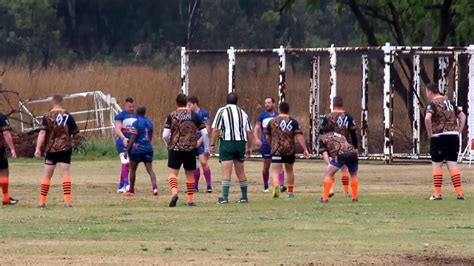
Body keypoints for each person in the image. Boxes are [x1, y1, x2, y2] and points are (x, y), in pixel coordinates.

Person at [162, 94, 209, 207]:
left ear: (177, 103)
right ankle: (190, 199)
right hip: (190, 149)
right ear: (186, 102)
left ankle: (174, 193)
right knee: (190, 175)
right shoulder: (195, 116)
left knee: (173, 174)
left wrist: (169, 144)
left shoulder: (171, 116)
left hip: (175, 148)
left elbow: (165, 135)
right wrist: (206, 148)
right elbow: (205, 133)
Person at [35, 95, 79, 208]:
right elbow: (75, 132)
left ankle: (42, 201)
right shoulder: (68, 116)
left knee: (47, 175)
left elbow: (42, 133)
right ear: (61, 102)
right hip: (65, 149)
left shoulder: (46, 116)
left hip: (51, 149)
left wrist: (38, 149)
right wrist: (69, 140)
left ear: (52, 103)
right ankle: (67, 202)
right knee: (65, 174)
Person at [424, 83, 466, 200]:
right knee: (452, 165)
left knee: (437, 165)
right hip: (453, 136)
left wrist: (430, 133)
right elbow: (462, 116)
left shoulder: (432, 104)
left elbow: (427, 118)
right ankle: (459, 193)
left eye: (426, 92)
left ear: (430, 91)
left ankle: (437, 194)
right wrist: (459, 131)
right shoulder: (450, 102)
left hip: (439, 136)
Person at [211, 92, 252, 204]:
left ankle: (224, 198)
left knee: (226, 171)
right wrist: (249, 147)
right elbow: (249, 131)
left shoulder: (222, 111)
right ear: (237, 101)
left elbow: (216, 130)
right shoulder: (243, 113)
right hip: (240, 143)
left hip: (227, 143)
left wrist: (212, 145)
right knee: (240, 171)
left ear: (226, 100)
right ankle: (244, 197)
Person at [266, 102, 309, 198]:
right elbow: (299, 136)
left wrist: (271, 145)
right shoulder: (293, 121)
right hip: (289, 150)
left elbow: (267, 136)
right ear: (288, 110)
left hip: (276, 150)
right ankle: (290, 193)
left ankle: (276, 186)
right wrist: (305, 149)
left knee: (275, 171)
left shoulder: (272, 121)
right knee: (289, 170)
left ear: (279, 109)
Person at [320, 96, 358, 197]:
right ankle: (346, 191)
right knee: (345, 168)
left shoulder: (328, 117)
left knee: (330, 169)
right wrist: (356, 147)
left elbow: (321, 131)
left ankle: (330, 190)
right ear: (342, 104)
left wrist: (323, 144)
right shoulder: (348, 116)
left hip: (331, 144)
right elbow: (353, 133)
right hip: (346, 145)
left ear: (333, 104)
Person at [319, 124, 359, 203]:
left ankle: (324, 198)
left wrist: (329, 164)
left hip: (340, 155)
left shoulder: (323, 138)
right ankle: (355, 197)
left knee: (328, 174)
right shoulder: (341, 136)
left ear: (324, 132)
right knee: (353, 175)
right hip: (353, 154)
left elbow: (324, 153)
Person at [123, 106, 158, 196]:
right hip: (148, 148)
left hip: (137, 150)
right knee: (150, 170)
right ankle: (155, 188)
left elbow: (133, 137)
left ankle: (131, 190)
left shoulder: (136, 122)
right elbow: (150, 137)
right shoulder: (149, 123)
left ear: (137, 113)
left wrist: (127, 150)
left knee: (133, 170)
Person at [254, 97, 285, 192]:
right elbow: (256, 128)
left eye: (269, 102)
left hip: (277, 145)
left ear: (273, 104)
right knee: (266, 166)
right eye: (265, 103)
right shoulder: (262, 116)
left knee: (279, 165)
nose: (267, 104)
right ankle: (265, 185)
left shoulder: (279, 116)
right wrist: (257, 139)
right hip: (266, 145)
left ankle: (281, 184)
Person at [187, 96, 213, 193]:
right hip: (192, 141)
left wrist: (200, 141)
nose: (188, 107)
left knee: (203, 162)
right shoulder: (188, 114)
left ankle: (209, 185)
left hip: (201, 141)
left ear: (195, 104)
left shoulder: (203, 113)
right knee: (194, 165)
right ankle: (195, 186)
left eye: (189, 105)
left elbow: (207, 129)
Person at [114, 98, 138, 193]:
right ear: (125, 106)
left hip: (132, 143)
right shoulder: (120, 116)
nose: (131, 108)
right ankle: (127, 185)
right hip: (122, 142)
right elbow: (117, 129)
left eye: (133, 107)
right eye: (129, 106)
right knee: (125, 162)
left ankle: (120, 186)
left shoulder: (137, 116)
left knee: (129, 165)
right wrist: (123, 138)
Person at [0, 113, 18, 205]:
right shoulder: (1, 117)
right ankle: (5, 198)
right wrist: (12, 149)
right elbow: (6, 133)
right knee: (3, 172)